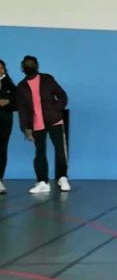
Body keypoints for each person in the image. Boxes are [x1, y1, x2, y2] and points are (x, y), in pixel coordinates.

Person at [15, 56, 70, 194]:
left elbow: (62, 96)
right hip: (36, 124)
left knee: (60, 151)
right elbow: (22, 110)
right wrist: (26, 128)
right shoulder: (21, 87)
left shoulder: (47, 79)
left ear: (37, 66)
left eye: (31, 64)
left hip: (54, 121)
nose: (29, 66)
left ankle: (62, 178)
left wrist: (55, 110)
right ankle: (42, 182)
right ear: (22, 68)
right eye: (26, 64)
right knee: (40, 153)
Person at [0, 59, 16, 195]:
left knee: (1, 150)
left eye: (1, 68)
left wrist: (8, 102)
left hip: (4, 122)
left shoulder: (10, 85)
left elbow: (17, 103)